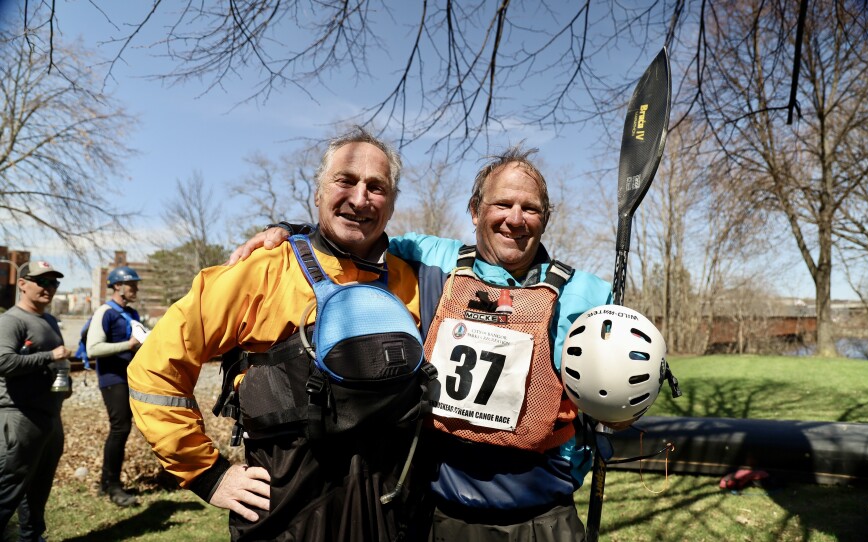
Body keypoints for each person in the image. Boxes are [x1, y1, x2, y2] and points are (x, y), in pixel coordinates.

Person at [236, 146, 613, 540]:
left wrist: (620, 406)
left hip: (544, 517)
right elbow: (353, 238)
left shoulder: (587, 294)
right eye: (502, 203)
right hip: (440, 515)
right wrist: (292, 231)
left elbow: (613, 404)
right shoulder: (428, 260)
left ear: (546, 219)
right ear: (475, 211)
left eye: (530, 208)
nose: (515, 219)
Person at [128, 127, 434, 541]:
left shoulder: (414, 282)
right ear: (318, 193)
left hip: (392, 510)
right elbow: (153, 370)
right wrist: (206, 473)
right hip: (288, 513)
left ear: (392, 202)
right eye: (345, 180)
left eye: (376, 187)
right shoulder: (263, 270)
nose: (360, 198)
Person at [0, 261, 72, 542]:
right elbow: (4, 361)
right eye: (42, 281)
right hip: (20, 415)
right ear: (22, 284)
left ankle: (31, 537)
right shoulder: (11, 320)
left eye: (54, 282)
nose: (49, 288)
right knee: (8, 488)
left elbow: (53, 362)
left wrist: (64, 380)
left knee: (39, 486)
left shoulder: (49, 320)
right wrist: (50, 357)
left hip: (50, 415)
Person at [86, 266, 145, 507]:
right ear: (117, 286)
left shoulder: (132, 313)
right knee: (119, 428)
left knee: (123, 428)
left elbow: (135, 345)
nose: (136, 289)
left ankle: (105, 483)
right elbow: (93, 349)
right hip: (112, 379)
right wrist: (128, 344)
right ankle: (113, 486)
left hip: (129, 377)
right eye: (132, 284)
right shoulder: (105, 312)